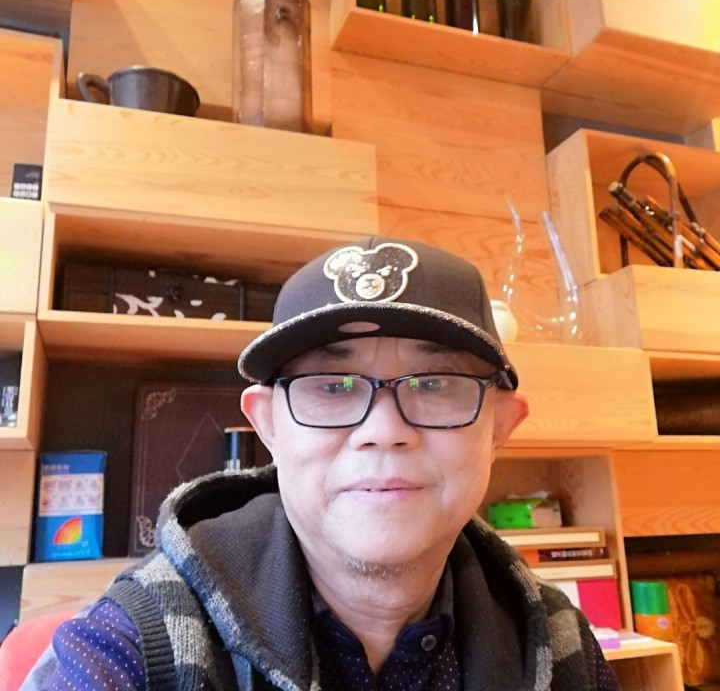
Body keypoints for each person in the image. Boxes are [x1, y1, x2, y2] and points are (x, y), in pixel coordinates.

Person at [22, 237, 620, 691]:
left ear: (501, 428)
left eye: (434, 383)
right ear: (268, 426)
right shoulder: (132, 649)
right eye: (332, 386)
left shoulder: (557, 644)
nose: (383, 432)